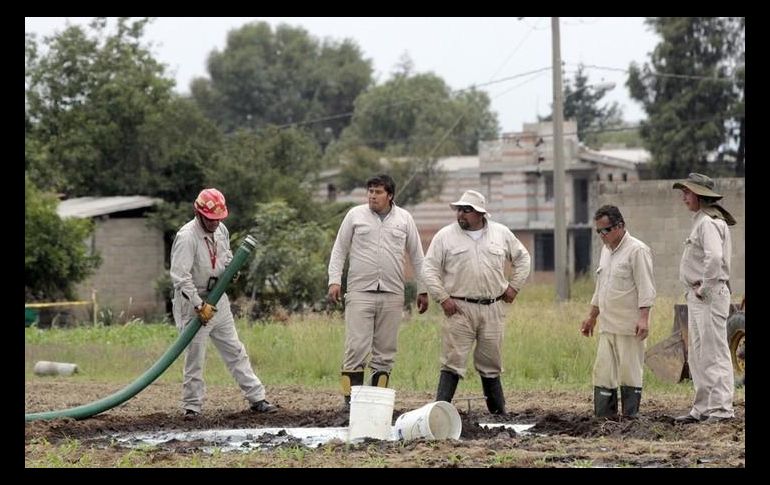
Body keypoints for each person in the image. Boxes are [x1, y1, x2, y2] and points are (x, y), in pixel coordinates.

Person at [170, 188, 277, 416]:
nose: (215, 224)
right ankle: (192, 407)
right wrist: (199, 305)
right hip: (192, 302)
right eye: (210, 219)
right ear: (199, 214)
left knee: (235, 350)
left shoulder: (222, 230)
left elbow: (226, 256)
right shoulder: (187, 237)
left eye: (219, 219)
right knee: (195, 357)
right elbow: (180, 277)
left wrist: (231, 270)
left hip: (219, 297)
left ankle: (257, 398)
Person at [422, 190, 530, 414]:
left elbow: (523, 258)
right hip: (459, 309)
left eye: (466, 210)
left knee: (491, 363)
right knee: (452, 362)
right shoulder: (444, 236)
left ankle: (499, 415)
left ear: (480, 213)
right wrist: (443, 299)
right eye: (459, 210)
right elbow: (429, 269)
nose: (461, 214)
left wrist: (514, 287)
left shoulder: (501, 233)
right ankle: (439, 413)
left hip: (493, 307)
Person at [327, 174, 429, 407]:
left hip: (392, 294)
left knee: (385, 354)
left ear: (390, 195)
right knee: (355, 350)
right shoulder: (355, 215)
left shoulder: (404, 219)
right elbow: (339, 249)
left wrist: (423, 289)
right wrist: (334, 280)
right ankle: (351, 405)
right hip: (360, 292)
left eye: (378, 192)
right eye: (370, 191)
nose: (373, 196)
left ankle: (375, 405)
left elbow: (417, 256)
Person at [672, 173, 737, 424]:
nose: (684, 197)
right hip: (699, 295)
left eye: (687, 193)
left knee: (713, 352)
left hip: (708, 294)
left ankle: (721, 409)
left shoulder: (709, 222)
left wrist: (705, 287)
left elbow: (714, 258)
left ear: (699, 195)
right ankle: (703, 408)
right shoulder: (702, 220)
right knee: (698, 355)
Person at [580, 205, 656, 418]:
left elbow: (646, 288)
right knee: (603, 372)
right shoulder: (606, 251)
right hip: (607, 325)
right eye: (599, 231)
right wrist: (591, 317)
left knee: (630, 373)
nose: (602, 235)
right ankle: (605, 418)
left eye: (606, 230)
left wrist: (644, 318)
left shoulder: (637, 250)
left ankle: (630, 419)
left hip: (629, 326)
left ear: (620, 226)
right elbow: (600, 288)